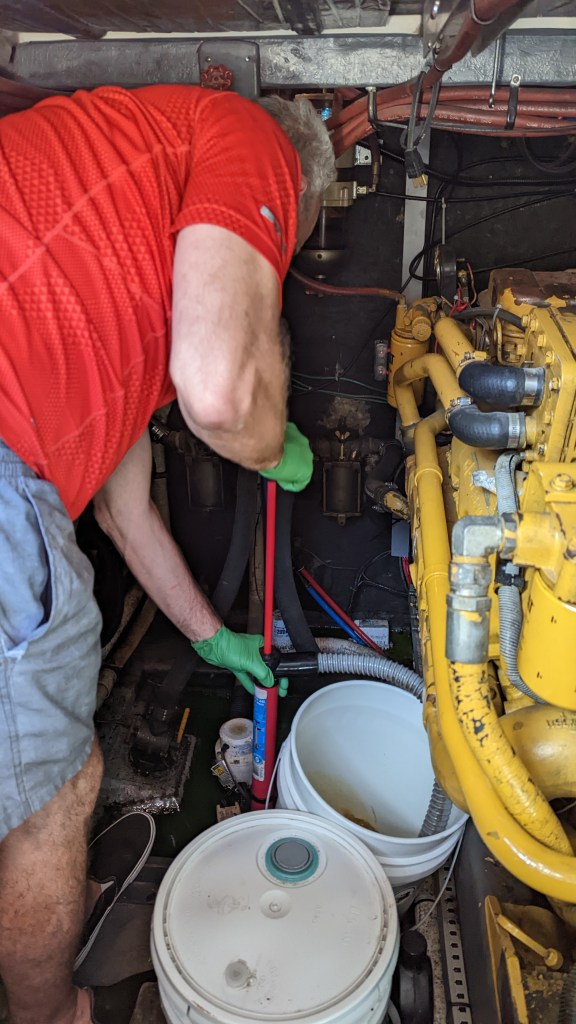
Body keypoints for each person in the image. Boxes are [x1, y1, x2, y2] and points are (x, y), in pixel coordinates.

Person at [0, 83, 335, 1024]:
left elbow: (123, 512)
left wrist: (207, 635)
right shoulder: (255, 139)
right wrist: (275, 448)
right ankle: (50, 1011)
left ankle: (33, 938)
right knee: (49, 793)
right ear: (296, 196)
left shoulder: (107, 260)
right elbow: (220, 396)